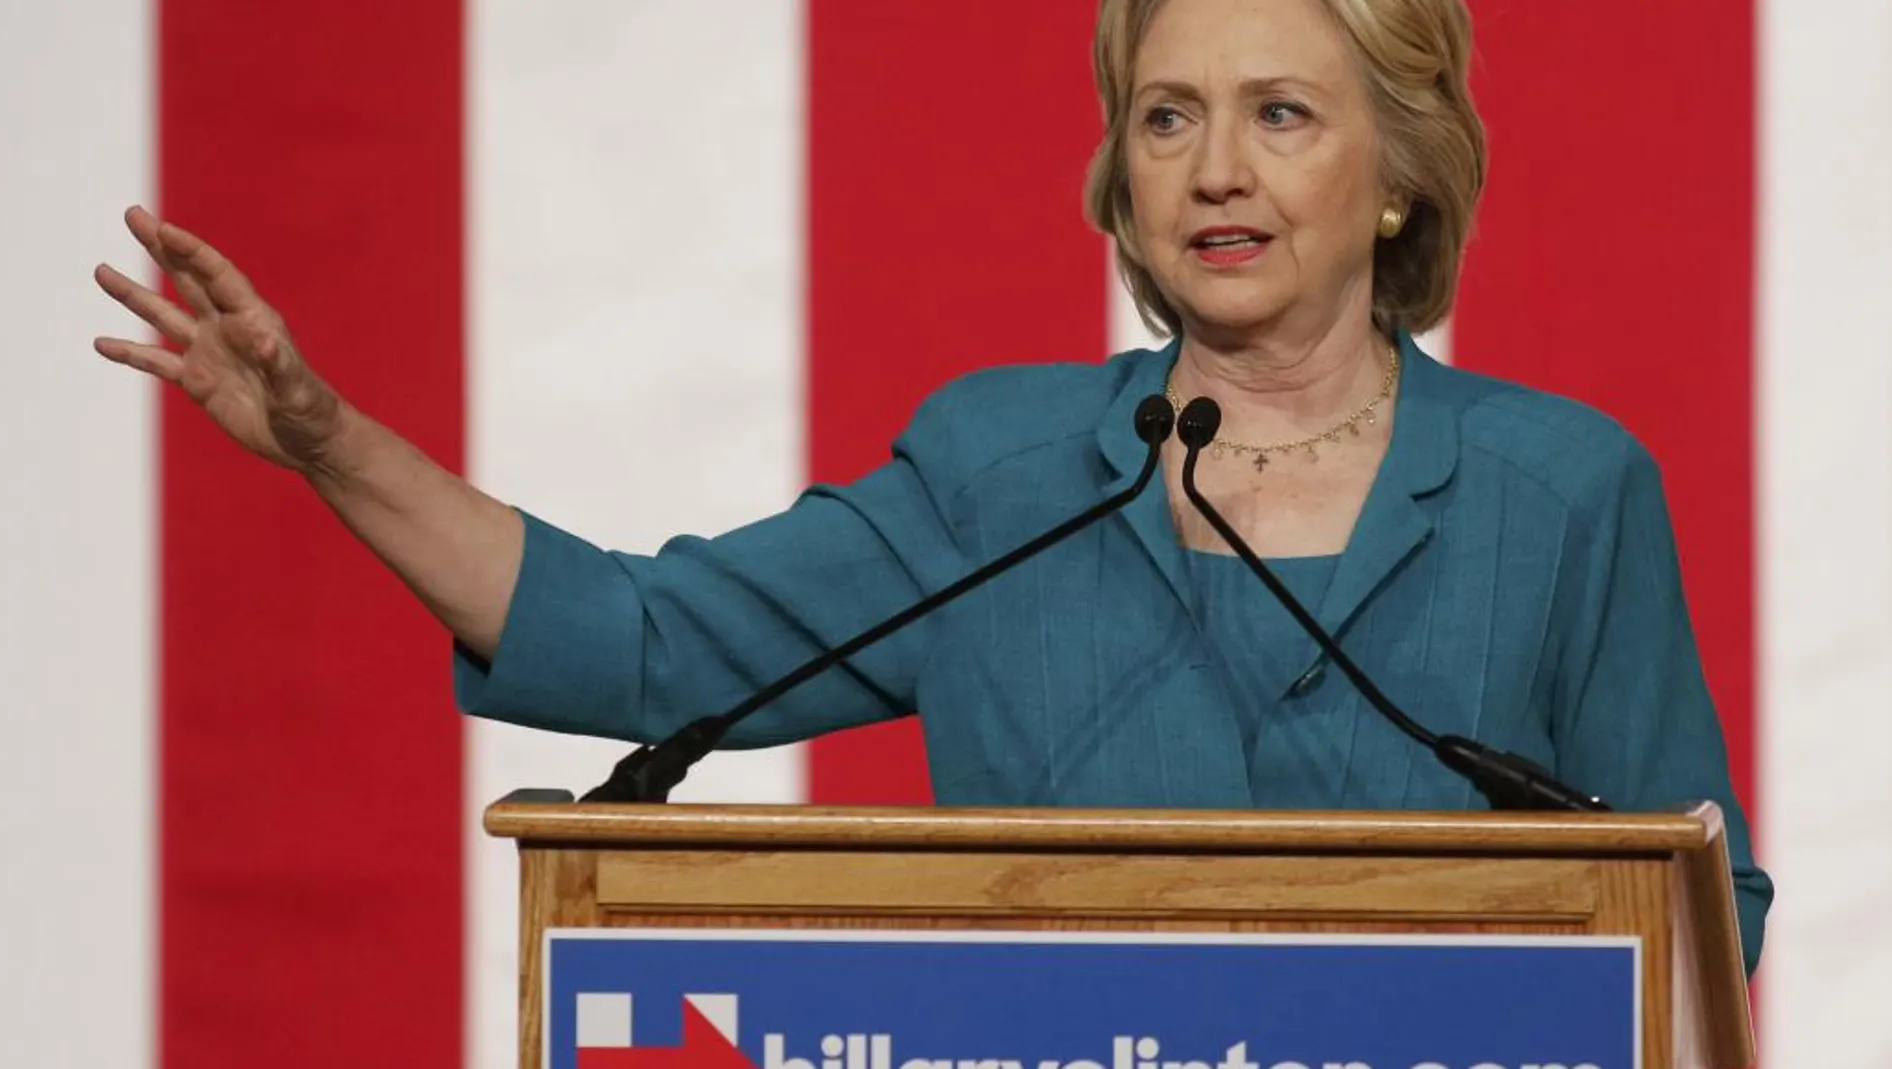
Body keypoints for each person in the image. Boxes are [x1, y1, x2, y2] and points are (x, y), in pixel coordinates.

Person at [91, 0, 1771, 974]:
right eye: (1168, 116)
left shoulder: (1561, 490)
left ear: (1399, 180)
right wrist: (328, 438)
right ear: (1121, 178)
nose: (1217, 169)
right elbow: (638, 640)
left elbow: (1709, 911)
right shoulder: (999, 470)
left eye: (1281, 115)